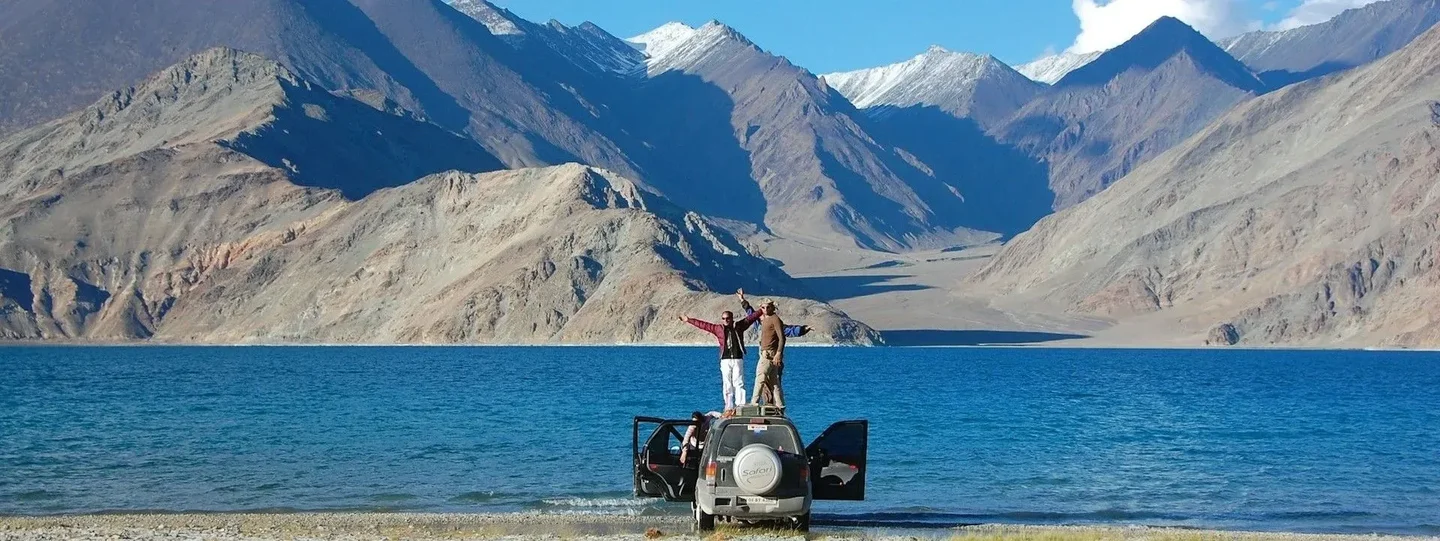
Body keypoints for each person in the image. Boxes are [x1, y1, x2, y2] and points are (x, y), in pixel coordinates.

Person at [680, 307, 762, 412]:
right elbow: (704, 325)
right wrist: (689, 320)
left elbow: (751, 318)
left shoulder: (739, 326)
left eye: (727, 318)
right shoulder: (718, 329)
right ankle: (729, 406)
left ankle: (741, 405)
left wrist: (761, 310)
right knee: (727, 383)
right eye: (723, 318)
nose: (725, 320)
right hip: (725, 360)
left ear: (732, 318)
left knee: (739, 383)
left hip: (737, 359)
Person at [749, 299, 805, 410]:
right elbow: (750, 313)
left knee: (760, 377)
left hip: (769, 355)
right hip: (766, 353)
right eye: (763, 308)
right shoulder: (765, 319)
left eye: (767, 307)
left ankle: (754, 403)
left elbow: (782, 337)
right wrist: (743, 301)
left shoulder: (775, 319)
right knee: (774, 382)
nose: (765, 310)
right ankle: (780, 405)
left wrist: (779, 353)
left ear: (772, 307)